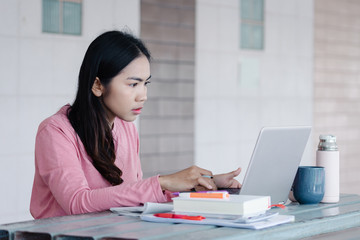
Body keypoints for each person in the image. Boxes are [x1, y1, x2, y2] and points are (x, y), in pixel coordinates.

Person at [30, 30, 241, 219]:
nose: (143, 96)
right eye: (133, 84)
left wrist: (202, 184)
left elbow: (130, 197)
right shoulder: (55, 132)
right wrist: (161, 182)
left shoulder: (125, 128)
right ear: (97, 85)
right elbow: (77, 203)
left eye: (145, 83)